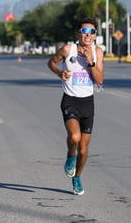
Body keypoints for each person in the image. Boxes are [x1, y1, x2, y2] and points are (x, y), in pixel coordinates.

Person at [47, 17, 104, 195]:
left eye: (91, 32)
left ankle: (77, 177)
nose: (88, 35)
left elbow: (100, 80)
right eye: (84, 31)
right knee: (74, 137)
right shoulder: (67, 49)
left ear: (95, 36)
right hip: (70, 99)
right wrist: (59, 72)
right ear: (78, 33)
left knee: (85, 149)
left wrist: (90, 61)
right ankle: (70, 156)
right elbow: (51, 62)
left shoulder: (97, 52)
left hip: (87, 103)